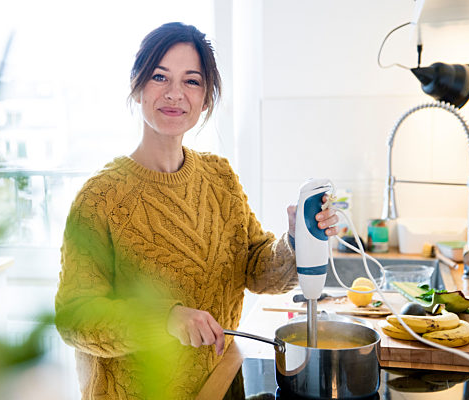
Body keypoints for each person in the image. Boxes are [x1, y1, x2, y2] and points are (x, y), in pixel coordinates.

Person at [55, 22, 338, 399]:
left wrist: (295, 241)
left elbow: (257, 269)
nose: (175, 94)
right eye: (160, 77)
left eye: (192, 81)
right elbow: (76, 317)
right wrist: (166, 319)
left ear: (206, 98)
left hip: (219, 385)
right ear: (137, 86)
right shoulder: (100, 198)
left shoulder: (220, 177)